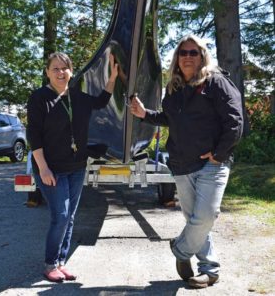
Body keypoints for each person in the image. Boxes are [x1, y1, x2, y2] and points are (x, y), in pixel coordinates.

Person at [130, 34, 243, 289]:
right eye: (184, 53)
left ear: (202, 56)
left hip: (211, 165)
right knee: (194, 219)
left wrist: (220, 153)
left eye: (194, 52)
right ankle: (209, 270)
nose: (188, 57)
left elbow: (235, 121)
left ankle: (180, 250)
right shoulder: (175, 88)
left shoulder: (216, 83)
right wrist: (144, 114)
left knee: (205, 216)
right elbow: (171, 118)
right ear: (177, 58)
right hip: (181, 164)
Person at [27, 51, 118, 282]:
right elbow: (34, 137)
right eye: (55, 68)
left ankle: (60, 262)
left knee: (70, 217)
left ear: (71, 71)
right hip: (51, 169)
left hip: (77, 166)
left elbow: (101, 101)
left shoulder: (78, 97)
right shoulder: (39, 99)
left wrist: (113, 77)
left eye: (64, 68)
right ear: (47, 72)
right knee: (61, 215)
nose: (60, 72)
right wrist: (43, 168)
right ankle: (50, 264)